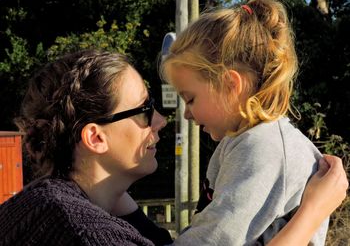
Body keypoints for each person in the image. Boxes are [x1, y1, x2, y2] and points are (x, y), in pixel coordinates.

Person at [0, 50, 347, 246]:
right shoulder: (84, 233)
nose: (161, 121)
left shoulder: (50, 208)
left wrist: (113, 192)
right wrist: (312, 213)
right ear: (96, 138)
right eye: (143, 110)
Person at [160, 0, 348, 245]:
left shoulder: (263, 148)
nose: (186, 113)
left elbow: (214, 240)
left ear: (230, 85)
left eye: (191, 99)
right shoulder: (243, 141)